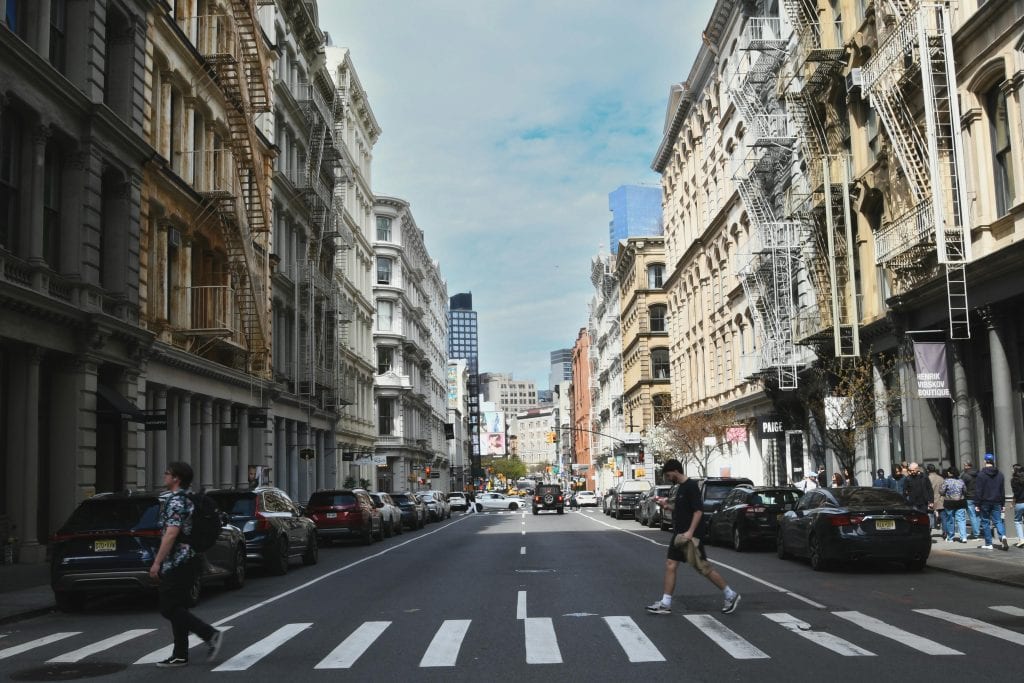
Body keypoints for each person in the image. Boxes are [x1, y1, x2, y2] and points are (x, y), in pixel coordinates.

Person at [151, 462, 224, 667]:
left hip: (178, 561)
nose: (164, 476)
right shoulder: (188, 498)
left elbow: (171, 533)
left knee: (167, 607)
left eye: (167, 473)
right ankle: (180, 654)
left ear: (176, 478)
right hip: (188, 559)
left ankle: (210, 634)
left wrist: (157, 562)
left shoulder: (176, 502)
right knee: (178, 606)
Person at [645, 459, 740, 616]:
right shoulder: (681, 487)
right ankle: (665, 603)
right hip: (679, 535)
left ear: (676, 471)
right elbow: (683, 509)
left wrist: (690, 532)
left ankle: (731, 595)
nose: (669, 478)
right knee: (670, 564)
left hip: (690, 537)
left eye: (669, 475)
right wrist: (666, 505)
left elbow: (698, 511)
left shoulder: (691, 487)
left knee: (703, 568)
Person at [975, 453, 1008, 550]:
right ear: (993, 461)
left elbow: (978, 490)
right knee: (998, 521)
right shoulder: (1000, 474)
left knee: (985, 522)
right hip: (997, 501)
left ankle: (989, 543)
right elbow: (1002, 490)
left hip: (984, 501)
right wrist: (1003, 503)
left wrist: (977, 503)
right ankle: (1003, 536)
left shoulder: (981, 475)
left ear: (985, 461)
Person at [939, 466, 967, 543]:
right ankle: (963, 536)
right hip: (960, 502)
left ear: (949, 473)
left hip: (949, 502)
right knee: (961, 519)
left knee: (950, 520)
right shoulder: (961, 481)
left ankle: (950, 537)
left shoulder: (946, 481)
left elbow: (941, 491)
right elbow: (965, 491)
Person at [961, 460, 980, 539]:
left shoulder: (965, 475)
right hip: (978, 497)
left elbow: (962, 486)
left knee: (972, 515)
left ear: (966, 466)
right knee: (978, 515)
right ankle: (977, 530)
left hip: (969, 497)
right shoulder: (979, 473)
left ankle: (976, 533)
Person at [927, 464, 945, 533]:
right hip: (940, 499)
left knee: (930, 515)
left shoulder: (927, 478)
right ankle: (945, 532)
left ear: (928, 470)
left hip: (931, 499)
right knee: (943, 516)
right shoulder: (941, 478)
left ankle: (930, 531)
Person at [1011, 464, 1024, 548]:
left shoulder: (1013, 480)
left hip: (1019, 503)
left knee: (1017, 521)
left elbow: (1015, 493)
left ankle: (1021, 540)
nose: (1011, 470)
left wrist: (1013, 503)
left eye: (1012, 469)